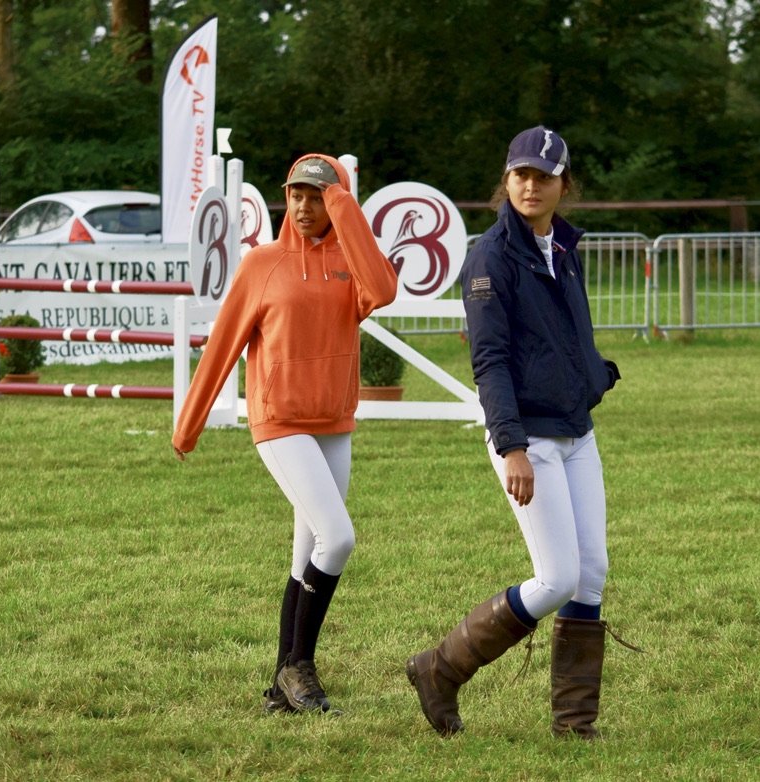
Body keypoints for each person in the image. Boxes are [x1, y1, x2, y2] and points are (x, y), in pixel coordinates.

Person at [406, 126, 639, 739]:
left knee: (591, 572)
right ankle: (439, 668)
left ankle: (575, 724)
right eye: (521, 175)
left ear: (564, 184)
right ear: (506, 180)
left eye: (543, 176)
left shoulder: (564, 247)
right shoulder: (489, 258)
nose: (531, 186)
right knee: (556, 578)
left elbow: (569, 334)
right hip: (526, 438)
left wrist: (594, 376)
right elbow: (490, 360)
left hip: (577, 431)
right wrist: (511, 446)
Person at [172, 154, 397, 713]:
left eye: (318, 197)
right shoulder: (262, 263)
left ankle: (282, 688)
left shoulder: (352, 265)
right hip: (279, 421)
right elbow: (222, 345)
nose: (303, 206)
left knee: (306, 556)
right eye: (296, 195)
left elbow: (383, 290)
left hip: (334, 422)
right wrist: (189, 425)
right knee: (337, 539)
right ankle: (300, 667)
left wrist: (342, 203)